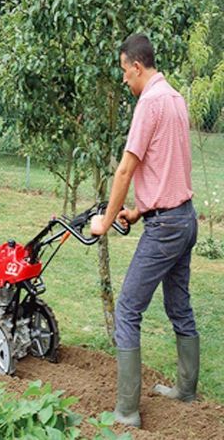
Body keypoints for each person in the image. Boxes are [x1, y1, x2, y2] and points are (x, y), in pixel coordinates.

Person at [90, 33, 198, 428]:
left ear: (137, 66)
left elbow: (125, 169)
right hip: (185, 218)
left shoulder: (149, 103)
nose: (123, 80)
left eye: (123, 71)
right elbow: (167, 164)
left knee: (128, 310)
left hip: (166, 227)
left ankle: (126, 412)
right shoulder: (175, 98)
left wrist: (106, 219)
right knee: (179, 307)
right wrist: (137, 211)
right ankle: (187, 390)